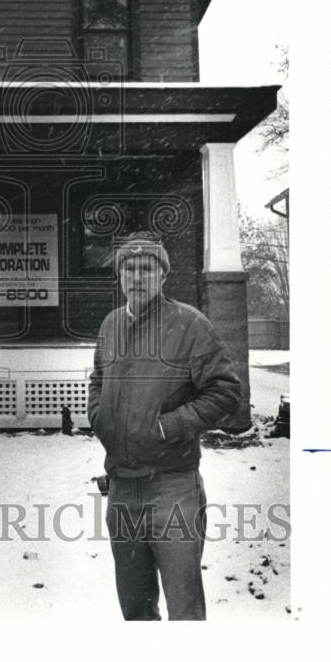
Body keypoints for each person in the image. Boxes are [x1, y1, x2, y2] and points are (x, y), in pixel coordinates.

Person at [87, 231, 242, 620]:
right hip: (122, 487)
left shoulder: (190, 325)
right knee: (136, 608)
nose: (136, 277)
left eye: (146, 269)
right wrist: (98, 415)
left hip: (172, 487)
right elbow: (97, 379)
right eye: (129, 269)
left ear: (163, 275)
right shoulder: (110, 325)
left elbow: (225, 393)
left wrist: (169, 427)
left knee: (184, 608)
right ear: (119, 275)